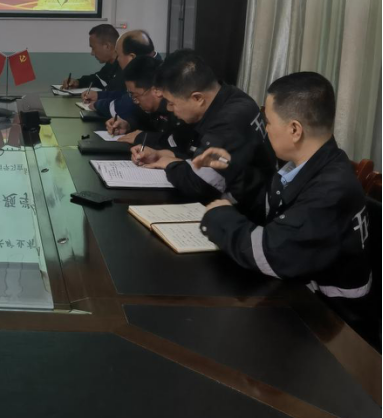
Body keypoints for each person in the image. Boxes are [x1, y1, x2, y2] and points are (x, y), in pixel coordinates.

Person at [194, 72, 373, 334]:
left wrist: (218, 217)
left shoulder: (331, 188)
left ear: (294, 129)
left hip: (331, 321)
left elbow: (272, 253)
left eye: (268, 121)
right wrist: (231, 168)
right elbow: (269, 203)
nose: (265, 129)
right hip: (302, 292)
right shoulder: (316, 161)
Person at [132, 49, 275, 203]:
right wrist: (163, 154)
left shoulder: (230, 119)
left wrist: (169, 164)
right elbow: (195, 153)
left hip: (248, 209)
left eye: (171, 103)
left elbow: (200, 185)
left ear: (197, 98)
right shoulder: (229, 95)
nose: (168, 108)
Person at [109, 55, 190, 151]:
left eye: (135, 95)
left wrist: (144, 138)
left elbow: (178, 142)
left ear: (156, 90)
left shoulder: (177, 108)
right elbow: (140, 117)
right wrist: (128, 124)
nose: (135, 101)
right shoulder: (150, 107)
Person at [60, 23, 123, 91]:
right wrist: (78, 82)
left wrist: (98, 95)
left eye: (93, 48)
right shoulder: (110, 64)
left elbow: (117, 93)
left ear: (107, 46)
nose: (92, 53)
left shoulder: (125, 67)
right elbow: (97, 79)